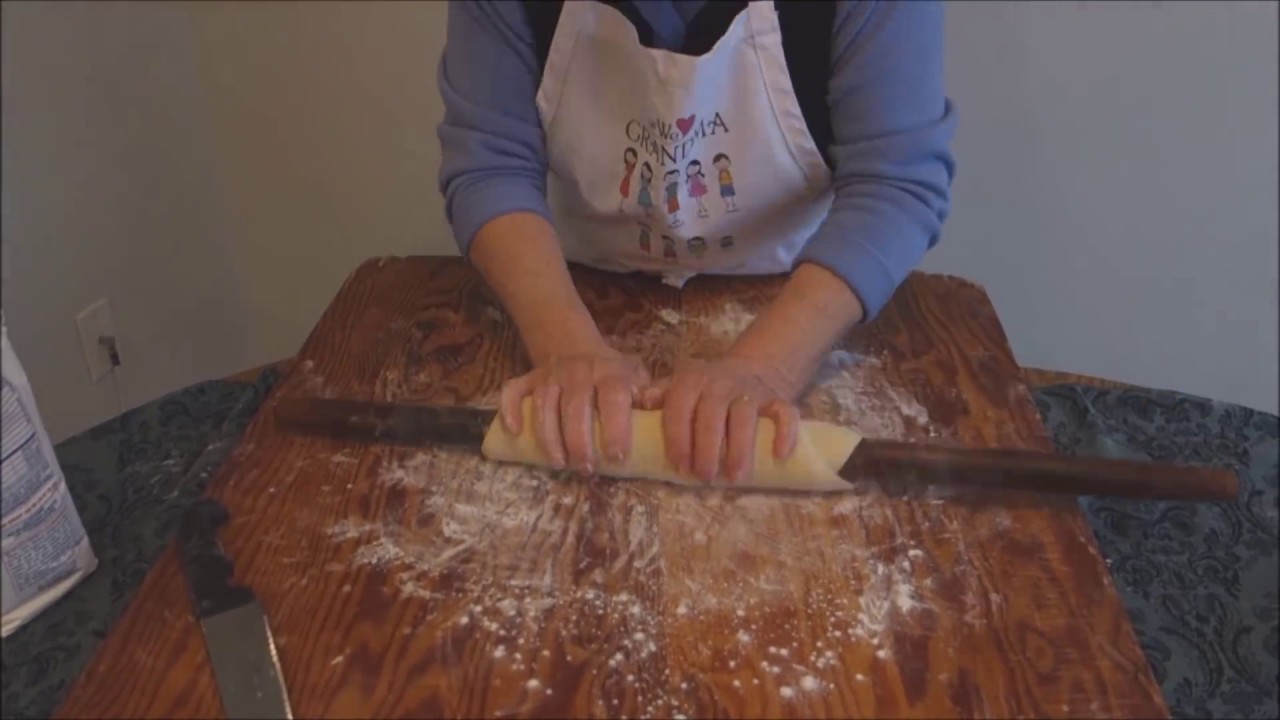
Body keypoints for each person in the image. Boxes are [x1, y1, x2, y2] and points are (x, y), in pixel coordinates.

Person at [438, 1, 955, 486]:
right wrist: (564, 345)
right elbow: (491, 164)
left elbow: (893, 183)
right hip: (573, 284)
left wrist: (767, 369)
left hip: (799, 293)